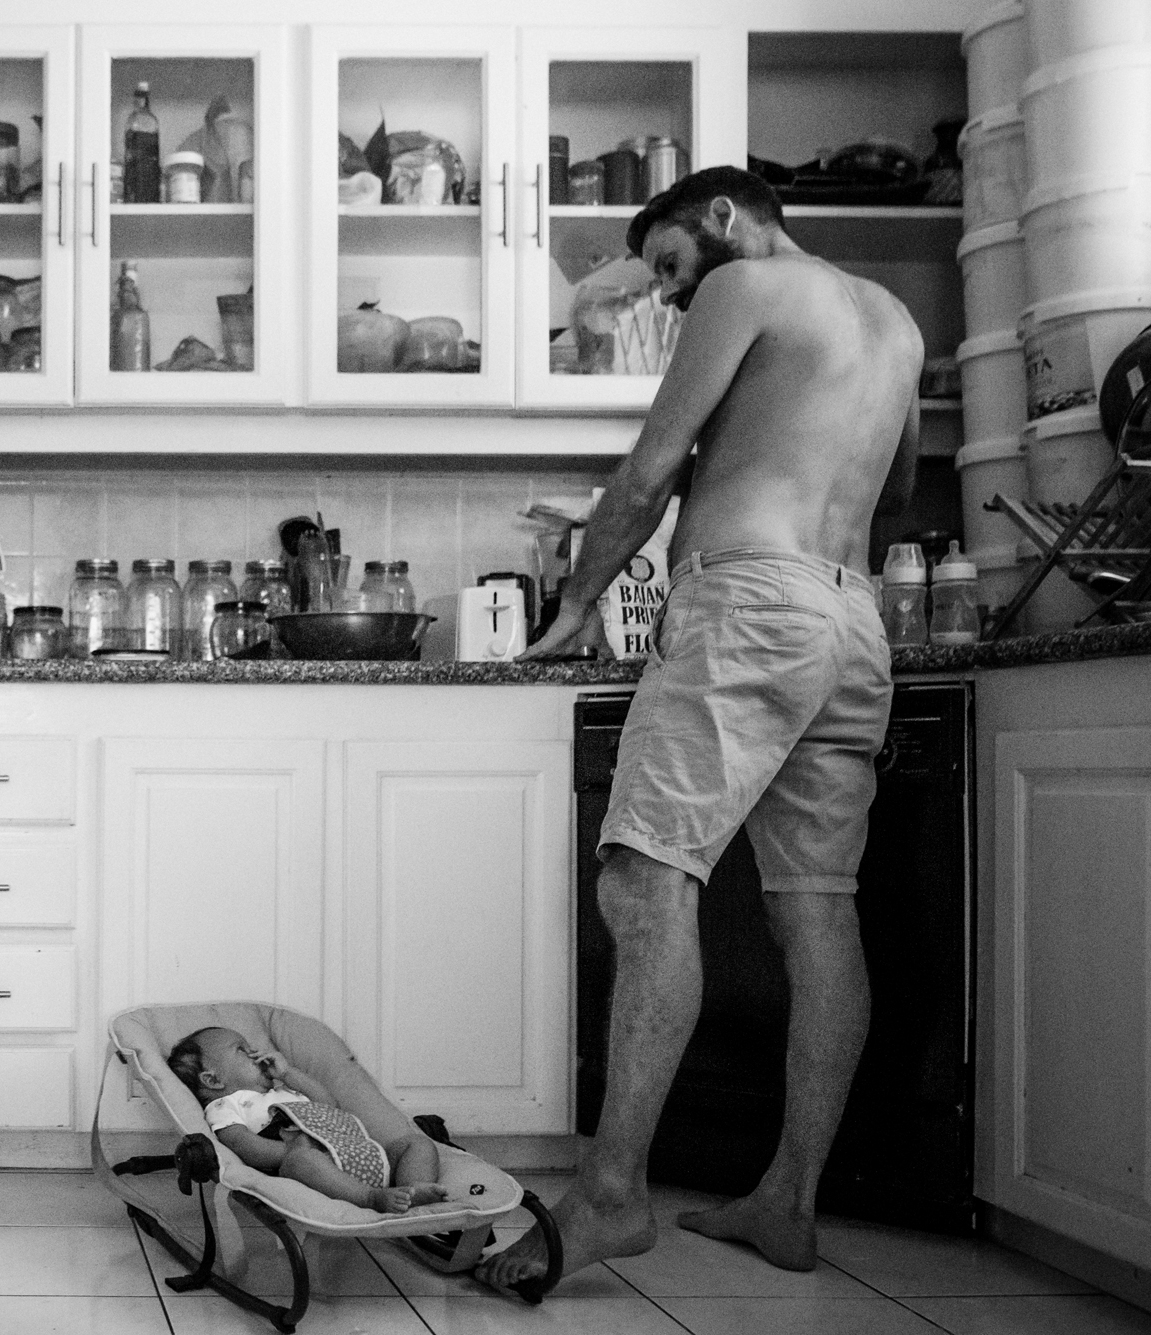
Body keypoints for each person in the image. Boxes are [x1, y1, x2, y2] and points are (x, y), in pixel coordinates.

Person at [479, 165, 923, 1293]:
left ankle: (612, 1194)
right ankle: (787, 1200)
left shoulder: (748, 286)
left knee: (643, 876)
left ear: (723, 219)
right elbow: (902, 482)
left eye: (670, 267)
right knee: (816, 904)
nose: (673, 299)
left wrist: (574, 606)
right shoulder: (893, 320)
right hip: (849, 616)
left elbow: (648, 468)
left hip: (749, 602)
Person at [168, 1027, 449, 1214]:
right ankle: (371, 1199)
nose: (255, 1052)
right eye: (241, 1049)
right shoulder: (225, 1105)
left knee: (417, 1144)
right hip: (307, 1166)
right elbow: (245, 1146)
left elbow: (330, 1107)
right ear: (213, 1080)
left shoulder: (283, 1090)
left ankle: (415, 1190)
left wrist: (289, 1073)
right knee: (304, 1161)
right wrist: (295, 1151)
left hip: (355, 1152)